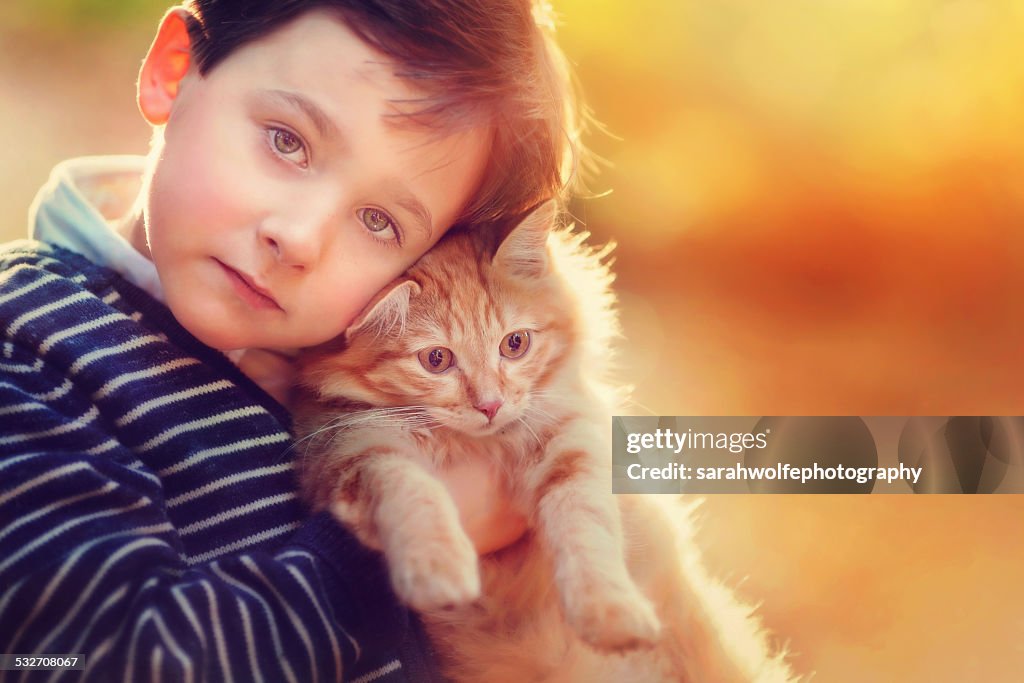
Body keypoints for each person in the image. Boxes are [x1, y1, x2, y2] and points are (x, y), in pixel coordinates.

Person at [0, 1, 580, 680]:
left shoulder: (375, 372)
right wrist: (389, 541)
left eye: (378, 220)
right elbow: (102, 661)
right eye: (287, 140)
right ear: (175, 70)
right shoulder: (30, 344)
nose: (301, 238)